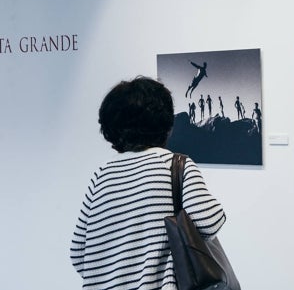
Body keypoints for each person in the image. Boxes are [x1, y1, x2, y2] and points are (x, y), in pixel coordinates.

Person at [70, 76, 226, 290]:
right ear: (165, 122)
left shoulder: (102, 175)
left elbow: (78, 254)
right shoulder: (175, 165)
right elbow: (210, 221)